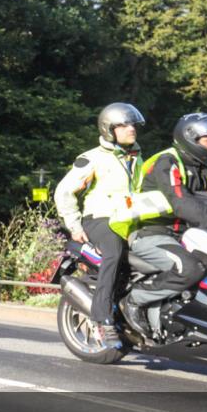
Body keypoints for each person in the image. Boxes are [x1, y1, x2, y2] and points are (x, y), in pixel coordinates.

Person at [118, 113, 207, 336]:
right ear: (190, 138)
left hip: (187, 234)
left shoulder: (204, 167)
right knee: (189, 268)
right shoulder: (167, 162)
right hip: (152, 233)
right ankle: (134, 299)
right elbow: (181, 202)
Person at [55, 102, 146, 348]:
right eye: (124, 125)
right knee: (114, 253)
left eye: (133, 124)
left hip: (129, 222)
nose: (131, 129)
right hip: (100, 219)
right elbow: (63, 192)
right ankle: (102, 318)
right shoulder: (92, 159)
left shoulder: (136, 157)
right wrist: (74, 225)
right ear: (109, 129)